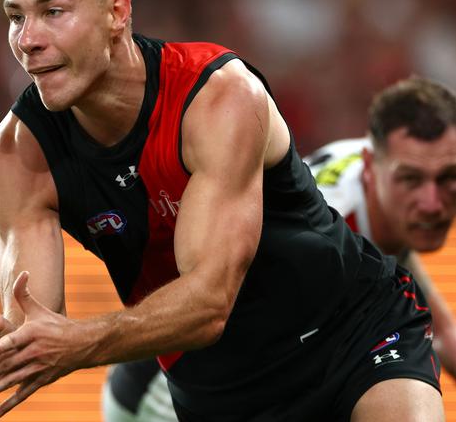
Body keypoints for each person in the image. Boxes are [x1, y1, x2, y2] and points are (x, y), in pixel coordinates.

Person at [0, 0, 444, 420]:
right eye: (16, 17)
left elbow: (208, 303)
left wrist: (79, 342)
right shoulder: (16, 152)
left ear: (117, 12)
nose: (28, 39)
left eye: (53, 12)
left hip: (354, 334)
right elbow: (36, 321)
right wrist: (2, 340)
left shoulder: (217, 96)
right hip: (223, 393)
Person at [102, 75, 456, 421]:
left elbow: (436, 327)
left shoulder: (379, 174)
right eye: (411, 179)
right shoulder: (323, 237)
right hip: (163, 392)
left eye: (448, 178)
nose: (432, 203)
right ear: (370, 167)